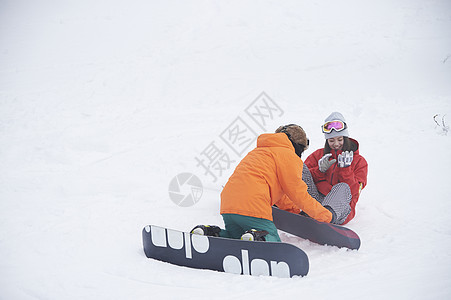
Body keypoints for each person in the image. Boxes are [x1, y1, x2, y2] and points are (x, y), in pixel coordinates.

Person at [191, 124, 336, 242]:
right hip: (254, 205)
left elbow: (283, 196)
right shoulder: (288, 156)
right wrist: (325, 215)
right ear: (298, 146)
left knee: (234, 239)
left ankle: (209, 233)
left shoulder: (258, 152)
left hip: (228, 205)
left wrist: (296, 211)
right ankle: (258, 237)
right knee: (272, 239)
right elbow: (297, 193)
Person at [302, 112, 368, 224]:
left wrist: (346, 170)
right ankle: (300, 209)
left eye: (340, 139)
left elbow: (353, 192)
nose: (336, 144)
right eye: (331, 140)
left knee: (342, 187)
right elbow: (301, 176)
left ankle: (326, 217)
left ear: (345, 138)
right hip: (316, 204)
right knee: (301, 168)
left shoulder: (360, 162)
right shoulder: (318, 155)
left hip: (339, 210)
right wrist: (319, 171)